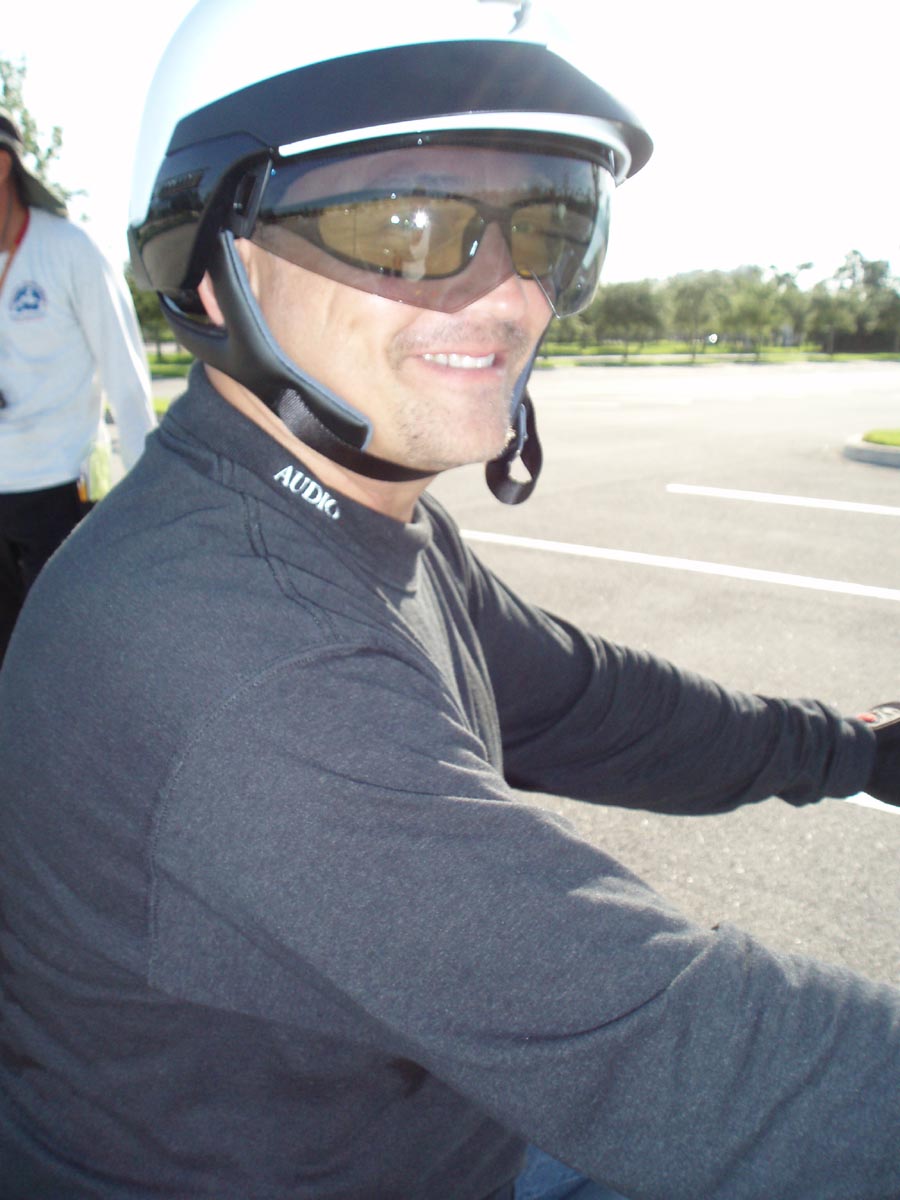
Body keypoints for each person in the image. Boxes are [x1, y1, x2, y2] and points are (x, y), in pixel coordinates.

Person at [0, 3, 898, 1197]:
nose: (509, 295)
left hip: (417, 1126)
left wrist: (854, 749)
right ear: (212, 267)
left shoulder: (336, 519)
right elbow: (685, 1049)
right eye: (404, 225)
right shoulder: (245, 666)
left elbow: (590, 701)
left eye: (552, 224)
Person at [0, 107, 156, 662]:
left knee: (63, 659)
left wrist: (150, 505)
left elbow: (127, 380)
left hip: (61, 492)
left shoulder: (70, 250)